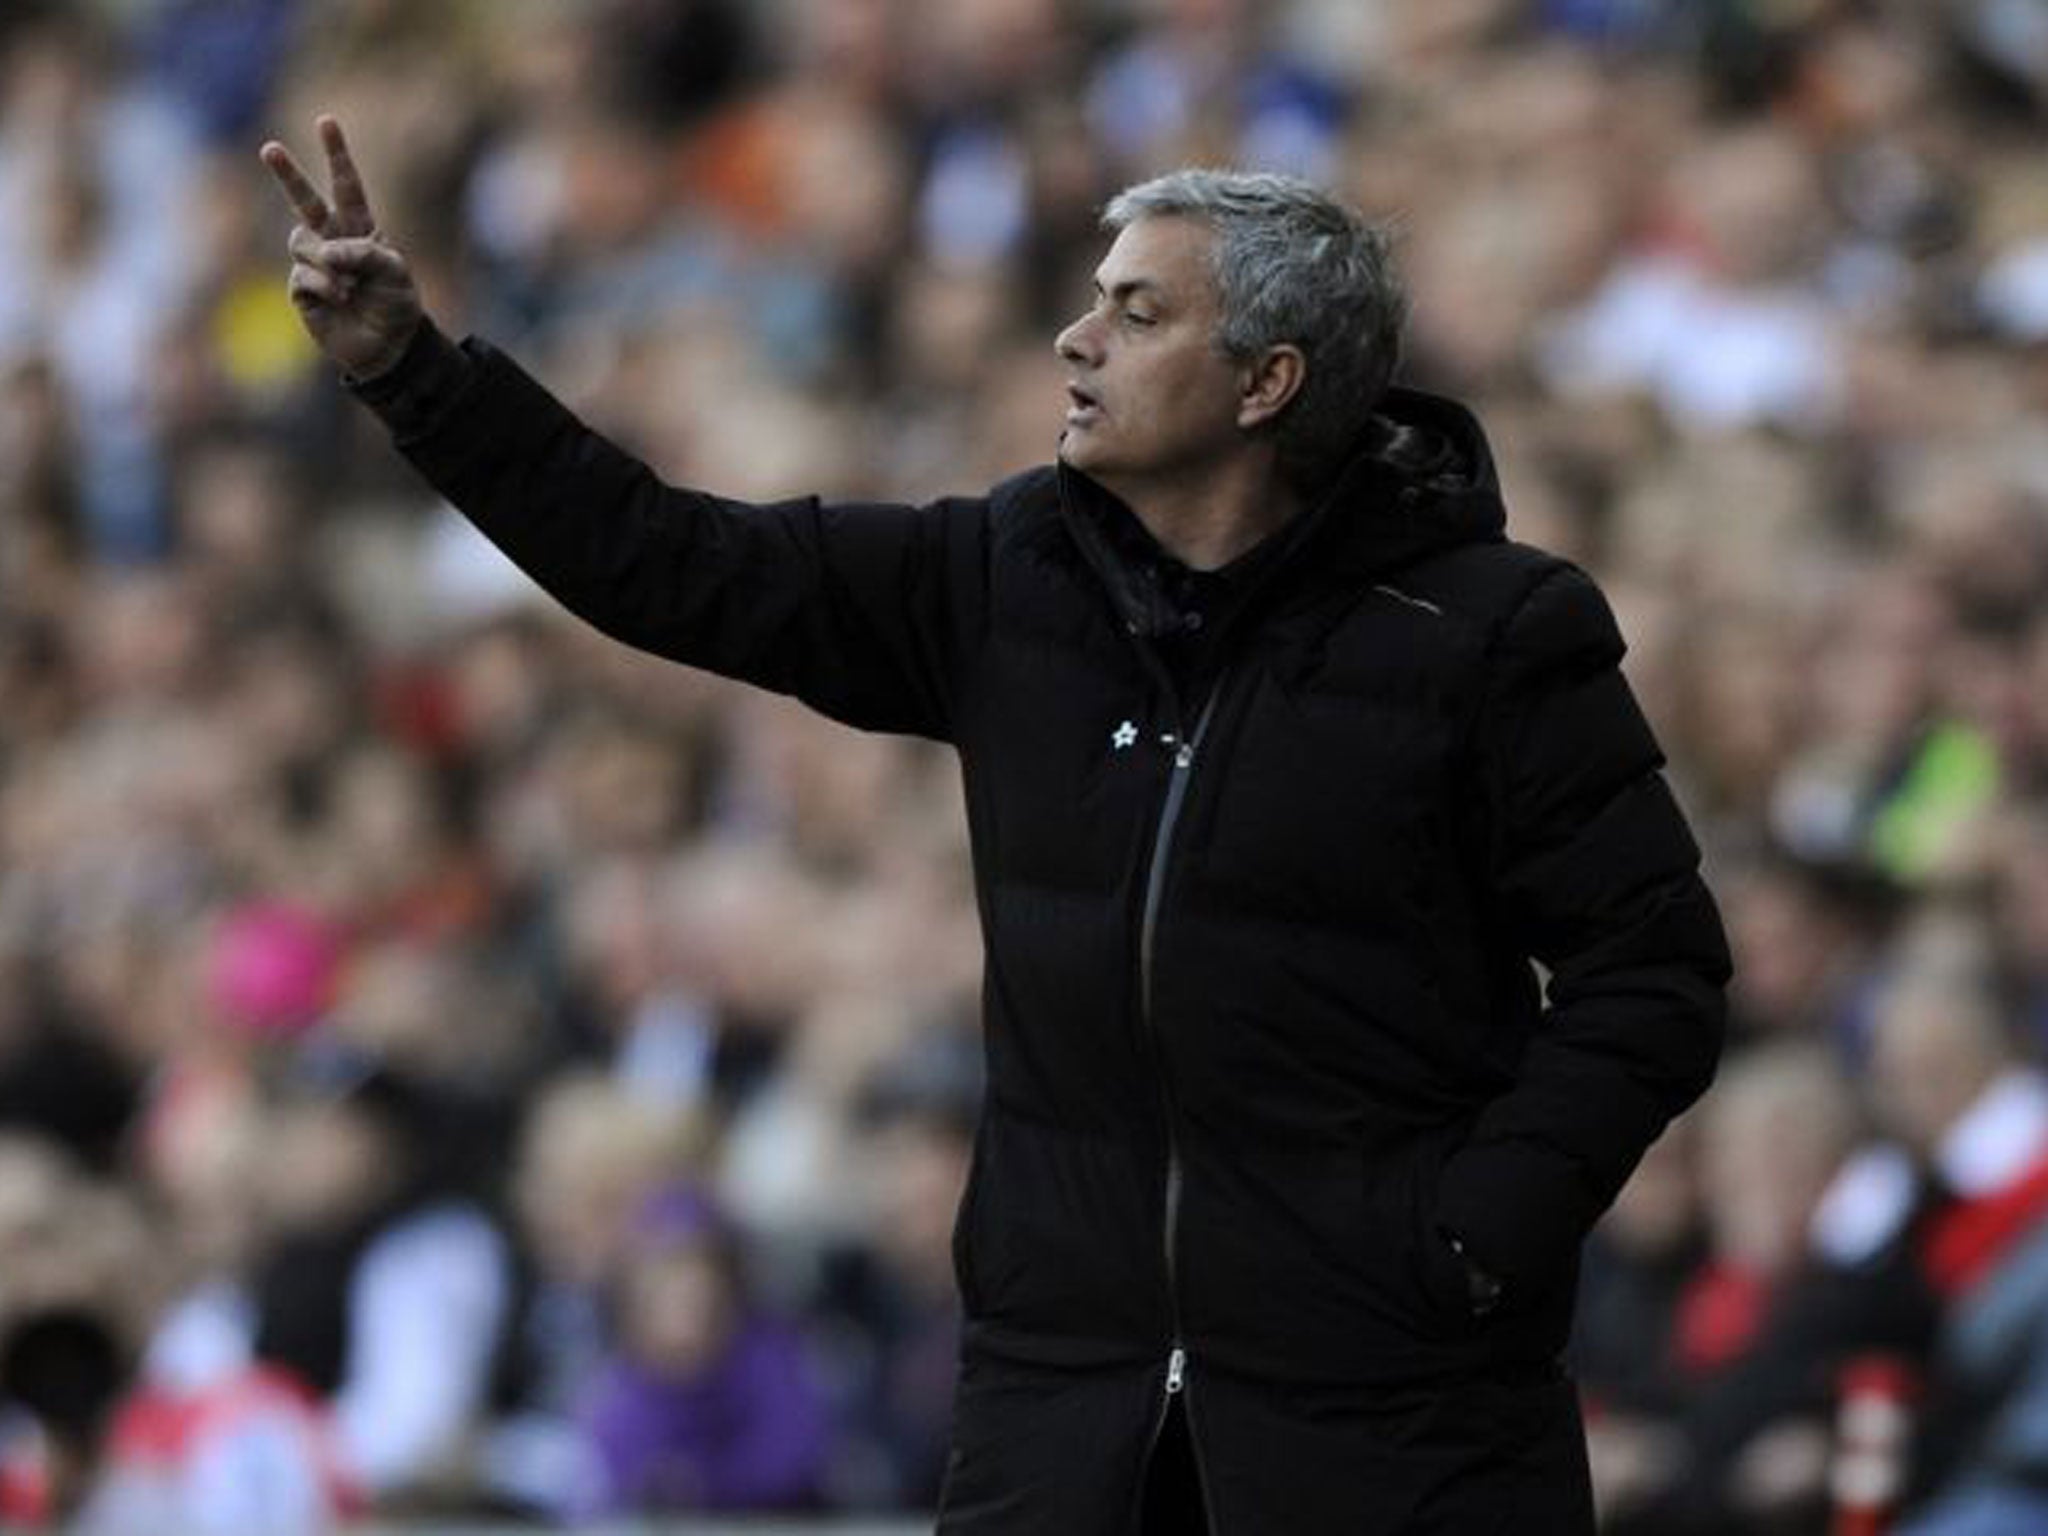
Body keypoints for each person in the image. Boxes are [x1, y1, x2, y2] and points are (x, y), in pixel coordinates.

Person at [260, 115, 1730, 1534]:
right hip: (1062, 1413)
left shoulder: (1486, 635)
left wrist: (1470, 1239)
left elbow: (1653, 977)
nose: (1074, 339)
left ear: (1265, 382)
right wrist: (416, 375)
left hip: (1394, 1423)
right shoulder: (1005, 578)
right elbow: (667, 558)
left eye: (1138, 312)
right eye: (1095, 302)